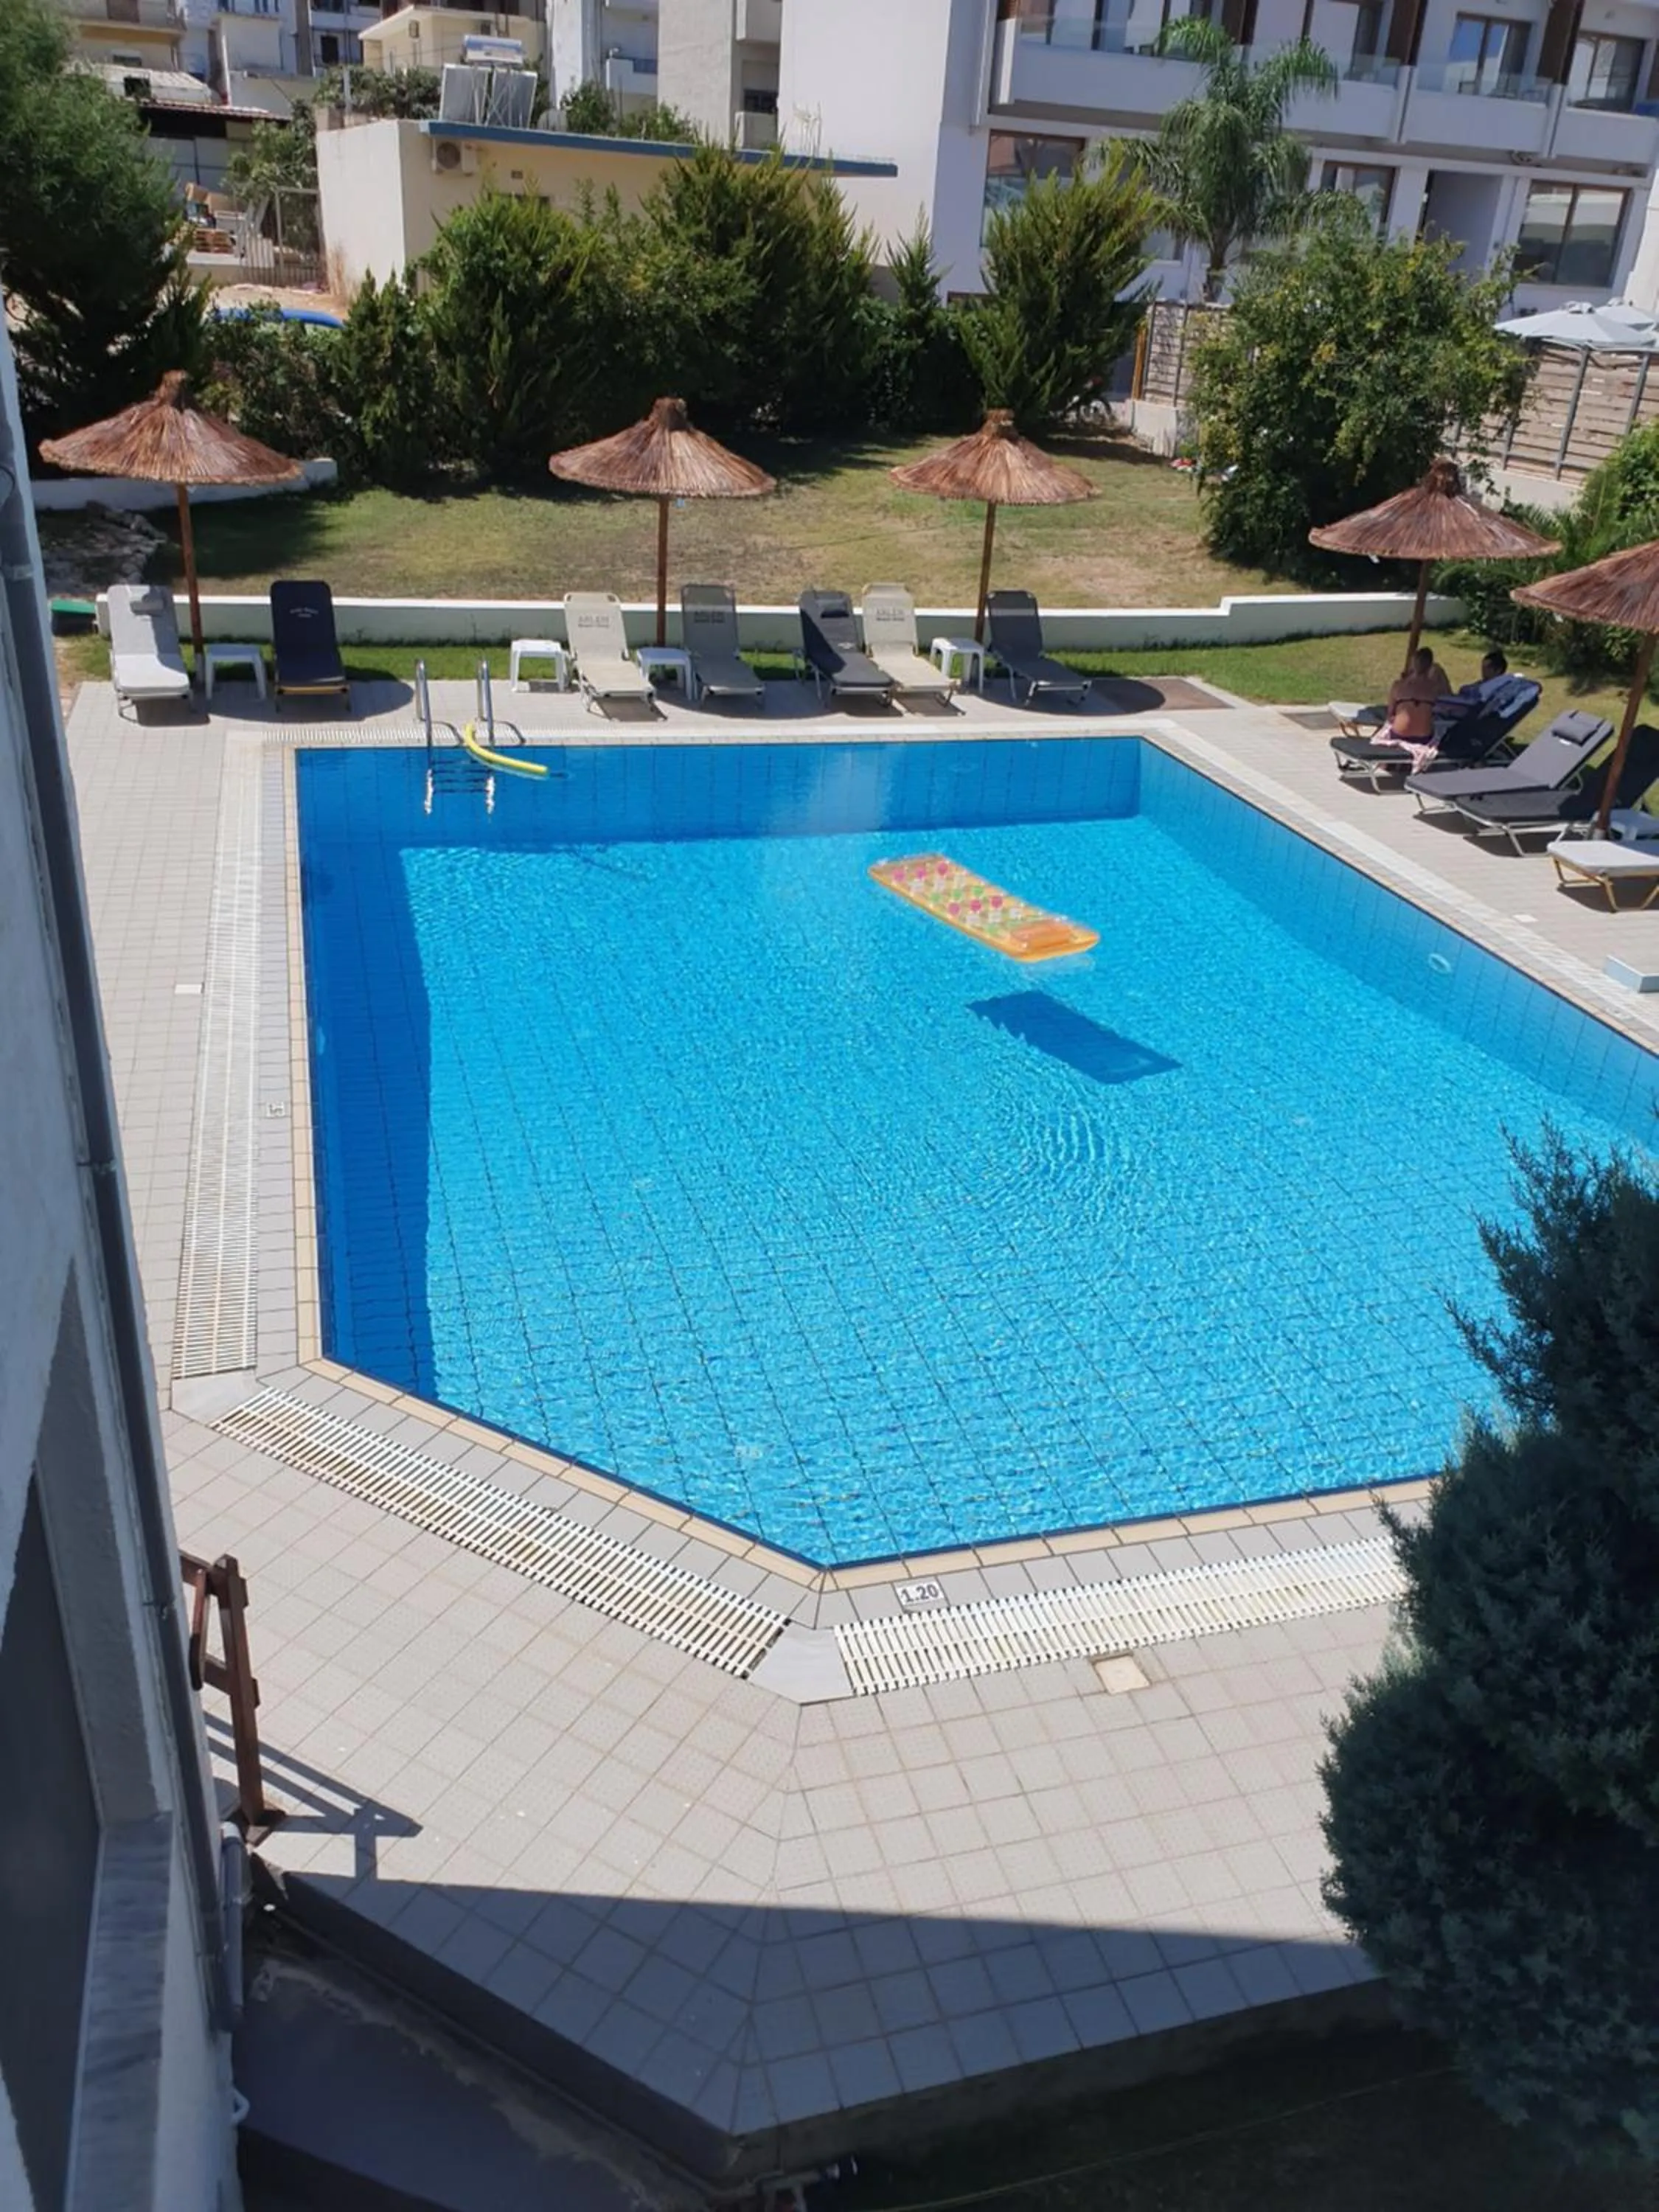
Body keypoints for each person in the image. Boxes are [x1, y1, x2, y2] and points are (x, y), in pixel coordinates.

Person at [1384, 645, 1451, 744]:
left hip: (1399, 734)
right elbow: (1449, 699)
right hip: (1424, 737)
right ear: (1430, 666)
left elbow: (1390, 714)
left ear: (1412, 664)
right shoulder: (1434, 688)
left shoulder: (1398, 685)